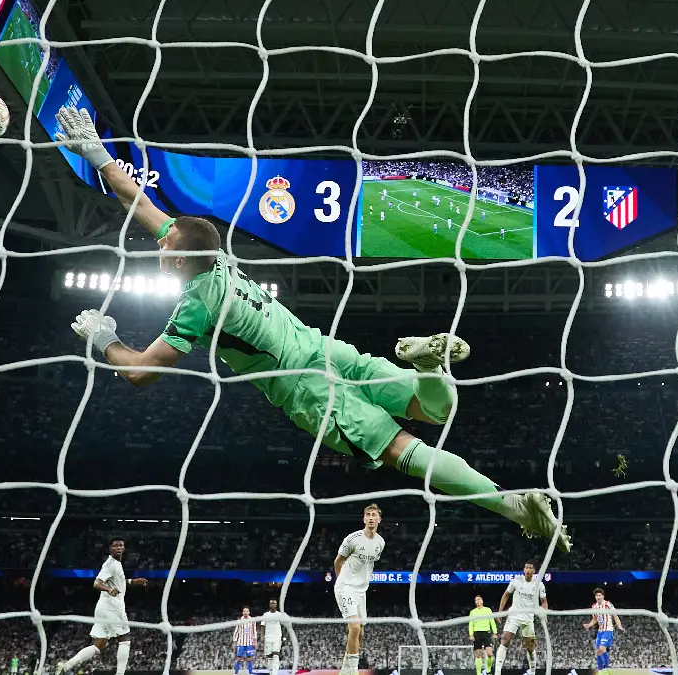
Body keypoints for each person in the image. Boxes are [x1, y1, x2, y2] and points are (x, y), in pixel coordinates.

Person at [53, 106, 570, 553]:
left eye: (166, 245)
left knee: (403, 452)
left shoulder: (197, 303)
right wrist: (98, 155)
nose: (159, 245)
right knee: (437, 407)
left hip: (308, 387)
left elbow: (142, 373)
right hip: (325, 347)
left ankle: (510, 505)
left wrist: (105, 338)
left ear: (182, 257)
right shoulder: (216, 258)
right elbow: (141, 204)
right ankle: (433, 371)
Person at [56, 538, 147, 675]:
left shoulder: (116, 564)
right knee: (125, 638)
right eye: (115, 545)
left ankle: (66, 666)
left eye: (121, 545)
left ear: (124, 548)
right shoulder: (110, 564)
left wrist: (133, 581)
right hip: (112, 606)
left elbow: (118, 581)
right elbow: (97, 583)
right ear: (110, 548)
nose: (119, 547)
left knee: (99, 645)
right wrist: (109, 589)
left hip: (103, 608)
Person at [334, 504, 385, 675]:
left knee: (360, 632)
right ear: (364, 519)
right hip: (346, 587)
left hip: (361, 591)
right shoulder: (352, 539)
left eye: (374, 515)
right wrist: (342, 582)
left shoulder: (380, 543)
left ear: (379, 519)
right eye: (368, 514)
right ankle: (353, 670)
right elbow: (337, 562)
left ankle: (345, 669)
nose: (371, 517)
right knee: (354, 627)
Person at [494, 560, 547, 675]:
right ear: (523, 569)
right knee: (505, 640)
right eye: (526, 567)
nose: (528, 570)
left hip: (528, 618)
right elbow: (506, 595)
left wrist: (544, 615)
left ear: (534, 571)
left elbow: (544, 601)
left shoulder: (539, 585)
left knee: (530, 647)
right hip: (514, 615)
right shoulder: (516, 581)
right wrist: (500, 611)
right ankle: (497, 672)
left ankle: (532, 671)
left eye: (530, 568)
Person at [583, 587, 623, 675]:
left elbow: (615, 616)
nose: (598, 597)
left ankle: (607, 669)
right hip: (600, 632)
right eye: (596, 595)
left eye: (599, 595)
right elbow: (595, 619)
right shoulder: (594, 607)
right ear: (595, 597)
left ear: (603, 596)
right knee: (598, 652)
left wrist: (620, 627)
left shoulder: (608, 604)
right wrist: (589, 625)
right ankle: (601, 670)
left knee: (601, 649)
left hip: (608, 630)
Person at [469, 594, 498, 675]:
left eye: (479, 599)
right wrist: (471, 634)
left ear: (482, 601)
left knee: (489, 653)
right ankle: (478, 673)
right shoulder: (472, 612)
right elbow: (471, 624)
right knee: (478, 655)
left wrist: (495, 632)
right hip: (477, 633)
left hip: (486, 632)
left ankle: (488, 670)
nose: (477, 601)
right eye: (476, 600)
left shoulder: (488, 610)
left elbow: (492, 621)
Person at [261, 598, 285, 675]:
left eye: (274, 603)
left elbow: (283, 626)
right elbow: (263, 626)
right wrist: (262, 636)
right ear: (269, 605)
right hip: (268, 637)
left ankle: (275, 673)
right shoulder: (265, 615)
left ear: (276, 605)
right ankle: (271, 672)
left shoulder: (279, 614)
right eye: (271, 603)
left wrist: (284, 637)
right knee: (269, 656)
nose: (273, 605)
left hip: (277, 636)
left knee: (276, 654)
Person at [233, 606, 258, 674]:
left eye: (247, 611)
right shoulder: (239, 621)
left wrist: (255, 642)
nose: (245, 612)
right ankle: (236, 673)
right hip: (240, 642)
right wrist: (234, 642)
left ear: (249, 612)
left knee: (249, 658)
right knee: (238, 658)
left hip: (249, 642)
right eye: (244, 611)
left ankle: (250, 672)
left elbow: (254, 631)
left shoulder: (252, 621)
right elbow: (236, 632)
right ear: (242, 612)